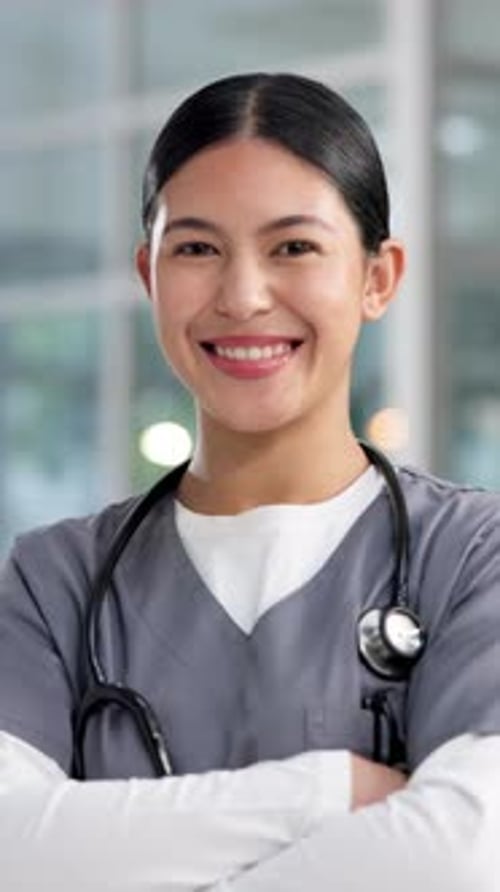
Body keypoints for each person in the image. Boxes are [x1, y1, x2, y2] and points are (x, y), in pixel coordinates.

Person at [0, 71, 499, 891]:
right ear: (148, 274)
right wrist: (325, 791)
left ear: (378, 277)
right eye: (196, 248)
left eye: (294, 247)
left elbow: (469, 854)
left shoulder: (473, 558)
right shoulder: (55, 583)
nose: (242, 296)